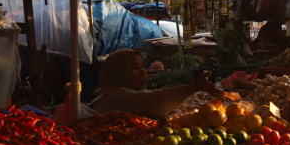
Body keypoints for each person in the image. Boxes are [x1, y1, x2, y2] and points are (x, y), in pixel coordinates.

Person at [91, 48, 223, 119]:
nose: (144, 72)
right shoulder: (114, 95)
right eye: (135, 68)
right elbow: (152, 100)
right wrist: (192, 88)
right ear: (118, 72)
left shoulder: (119, 90)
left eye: (143, 66)